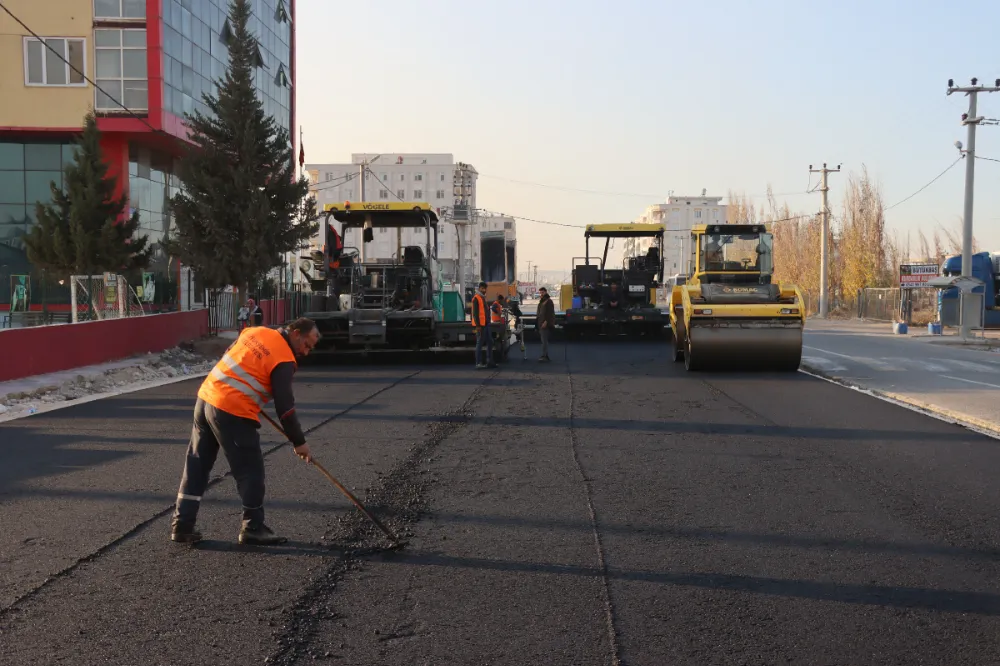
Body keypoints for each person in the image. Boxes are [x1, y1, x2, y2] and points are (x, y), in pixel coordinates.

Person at [170, 318, 321, 545]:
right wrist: (299, 442)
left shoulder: (255, 332)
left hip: (206, 398)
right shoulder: (284, 358)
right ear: (296, 333)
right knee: (251, 469)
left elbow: (232, 354)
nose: (306, 352)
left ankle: (182, 525)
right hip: (233, 410)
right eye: (307, 345)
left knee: (197, 463)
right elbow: (285, 407)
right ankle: (253, 527)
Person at [470, 282, 496, 369]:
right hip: (481, 326)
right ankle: (478, 363)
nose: (484, 290)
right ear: (479, 288)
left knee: (490, 342)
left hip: (486, 324)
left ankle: (490, 362)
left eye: (485, 289)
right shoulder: (476, 298)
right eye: (482, 288)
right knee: (480, 343)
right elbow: (475, 313)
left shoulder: (483, 298)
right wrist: (478, 326)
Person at [536, 287, 555, 362]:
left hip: (545, 324)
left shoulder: (549, 301)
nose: (541, 294)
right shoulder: (542, 301)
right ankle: (545, 355)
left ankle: (545, 356)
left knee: (544, 341)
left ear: (546, 292)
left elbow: (550, 313)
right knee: (543, 340)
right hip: (541, 323)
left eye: (542, 292)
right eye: (540, 292)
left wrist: (546, 322)